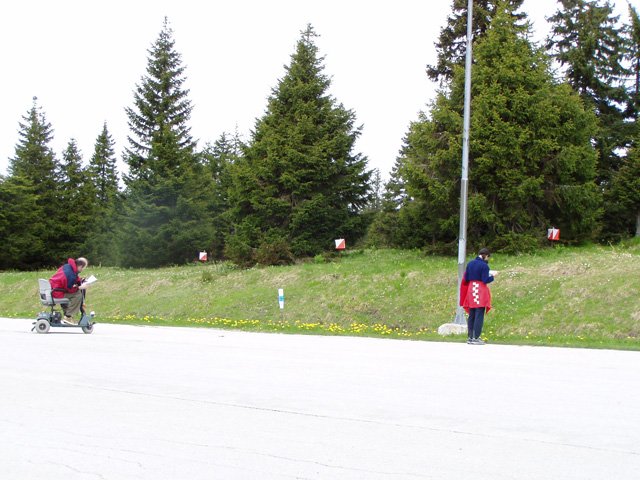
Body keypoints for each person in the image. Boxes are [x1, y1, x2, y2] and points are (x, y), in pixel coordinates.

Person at [460, 248, 496, 345]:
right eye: (488, 257)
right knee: (479, 313)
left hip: (471, 289)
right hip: (480, 290)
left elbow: (466, 278)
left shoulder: (470, 263)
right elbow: (485, 280)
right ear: (485, 255)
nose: (488, 259)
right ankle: (476, 337)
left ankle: (470, 337)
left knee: (472, 314)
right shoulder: (484, 266)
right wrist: (493, 276)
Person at [49, 257, 89, 325]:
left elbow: (73, 278)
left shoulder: (68, 266)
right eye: (83, 268)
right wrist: (80, 287)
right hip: (57, 292)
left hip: (54, 288)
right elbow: (69, 289)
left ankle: (67, 314)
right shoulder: (70, 275)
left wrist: (80, 280)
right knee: (77, 295)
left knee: (75, 293)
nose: (82, 270)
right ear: (80, 266)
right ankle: (68, 316)